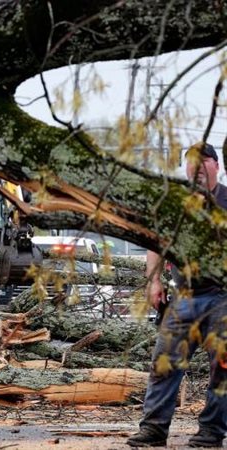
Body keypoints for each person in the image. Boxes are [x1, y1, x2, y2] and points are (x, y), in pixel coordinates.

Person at [127, 142, 227, 448]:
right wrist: (153, 282)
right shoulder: (175, 204)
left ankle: (211, 431)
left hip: (222, 297)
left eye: (203, 163)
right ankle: (154, 429)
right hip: (183, 296)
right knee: (164, 364)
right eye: (191, 163)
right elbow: (156, 242)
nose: (196, 169)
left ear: (216, 166)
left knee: (223, 367)